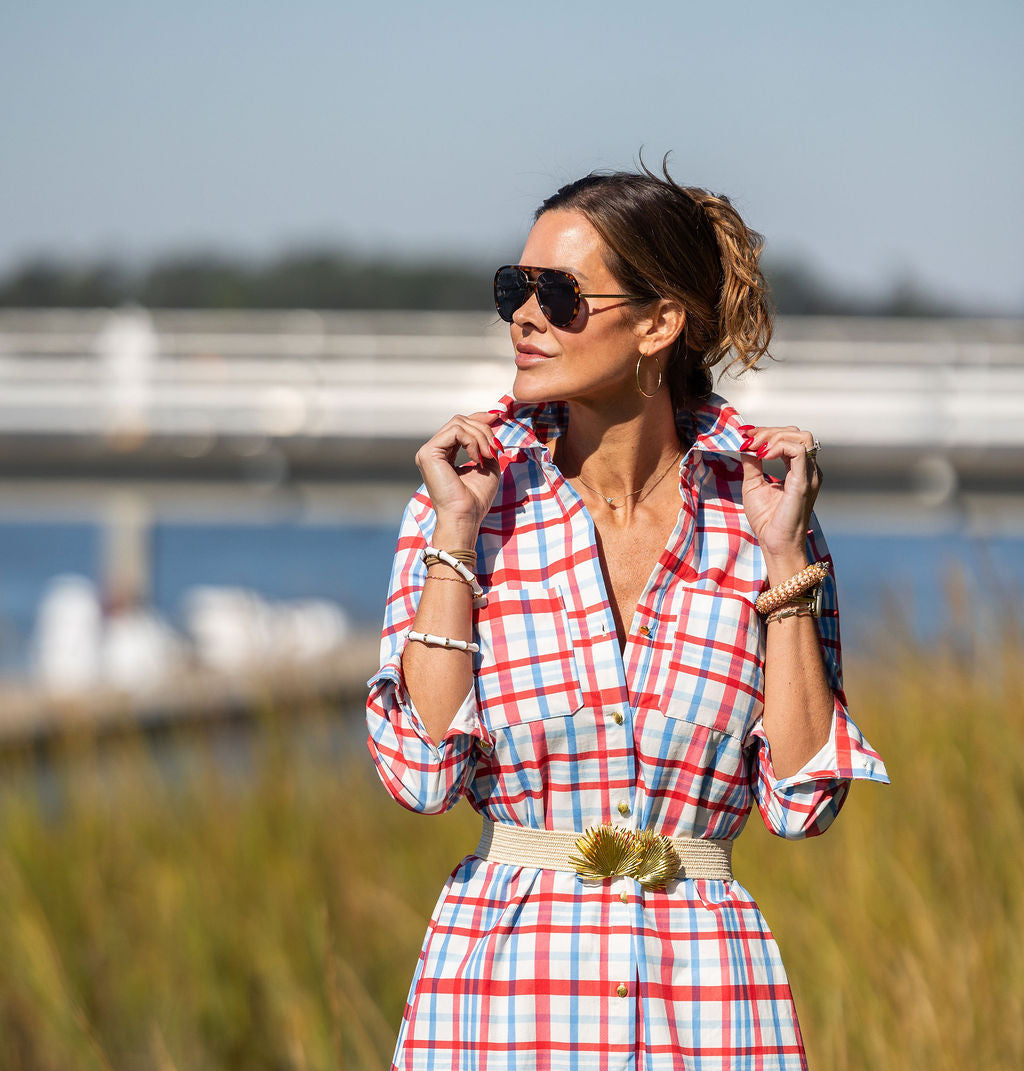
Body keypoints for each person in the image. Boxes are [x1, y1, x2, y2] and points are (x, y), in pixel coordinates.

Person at [366, 163, 889, 1071]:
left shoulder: (763, 512)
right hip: (499, 1004)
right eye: (514, 289)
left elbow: (803, 802)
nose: (525, 316)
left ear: (660, 321)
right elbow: (418, 774)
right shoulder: (468, 501)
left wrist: (782, 556)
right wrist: (456, 530)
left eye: (559, 295)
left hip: (711, 1008)